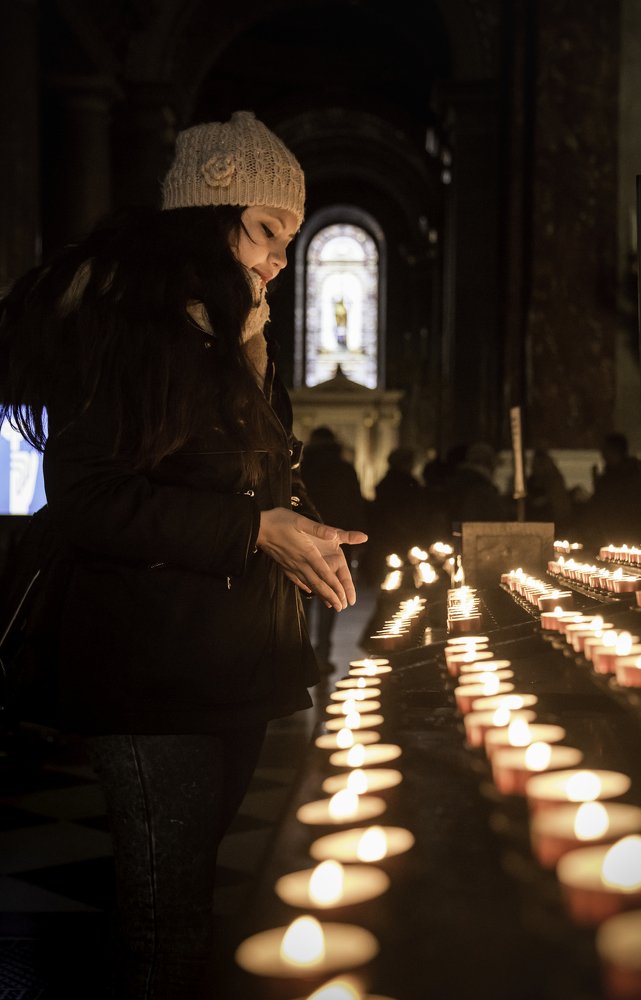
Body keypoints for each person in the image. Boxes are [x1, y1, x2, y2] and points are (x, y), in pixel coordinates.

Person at [0, 110, 367, 999]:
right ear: (208, 215)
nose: (281, 257)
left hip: (229, 658)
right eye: (266, 231)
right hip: (146, 663)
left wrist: (295, 520)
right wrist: (254, 531)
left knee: (196, 890)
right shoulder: (119, 323)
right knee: (165, 918)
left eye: (292, 236)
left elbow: (236, 474)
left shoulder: (240, 332)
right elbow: (91, 500)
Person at [300, 425, 365, 672]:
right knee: (330, 598)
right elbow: (354, 504)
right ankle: (323, 655)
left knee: (301, 600)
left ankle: (301, 655)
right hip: (337, 540)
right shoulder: (344, 469)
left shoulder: (303, 468)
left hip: (304, 537)